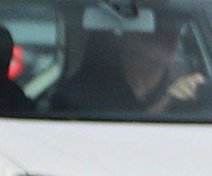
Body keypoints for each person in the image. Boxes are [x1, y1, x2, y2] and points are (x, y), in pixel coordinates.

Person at [50, 21, 204, 115]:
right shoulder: (78, 93)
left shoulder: (193, 86)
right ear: (125, 38)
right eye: (154, 30)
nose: (170, 38)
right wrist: (167, 103)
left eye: (174, 31)